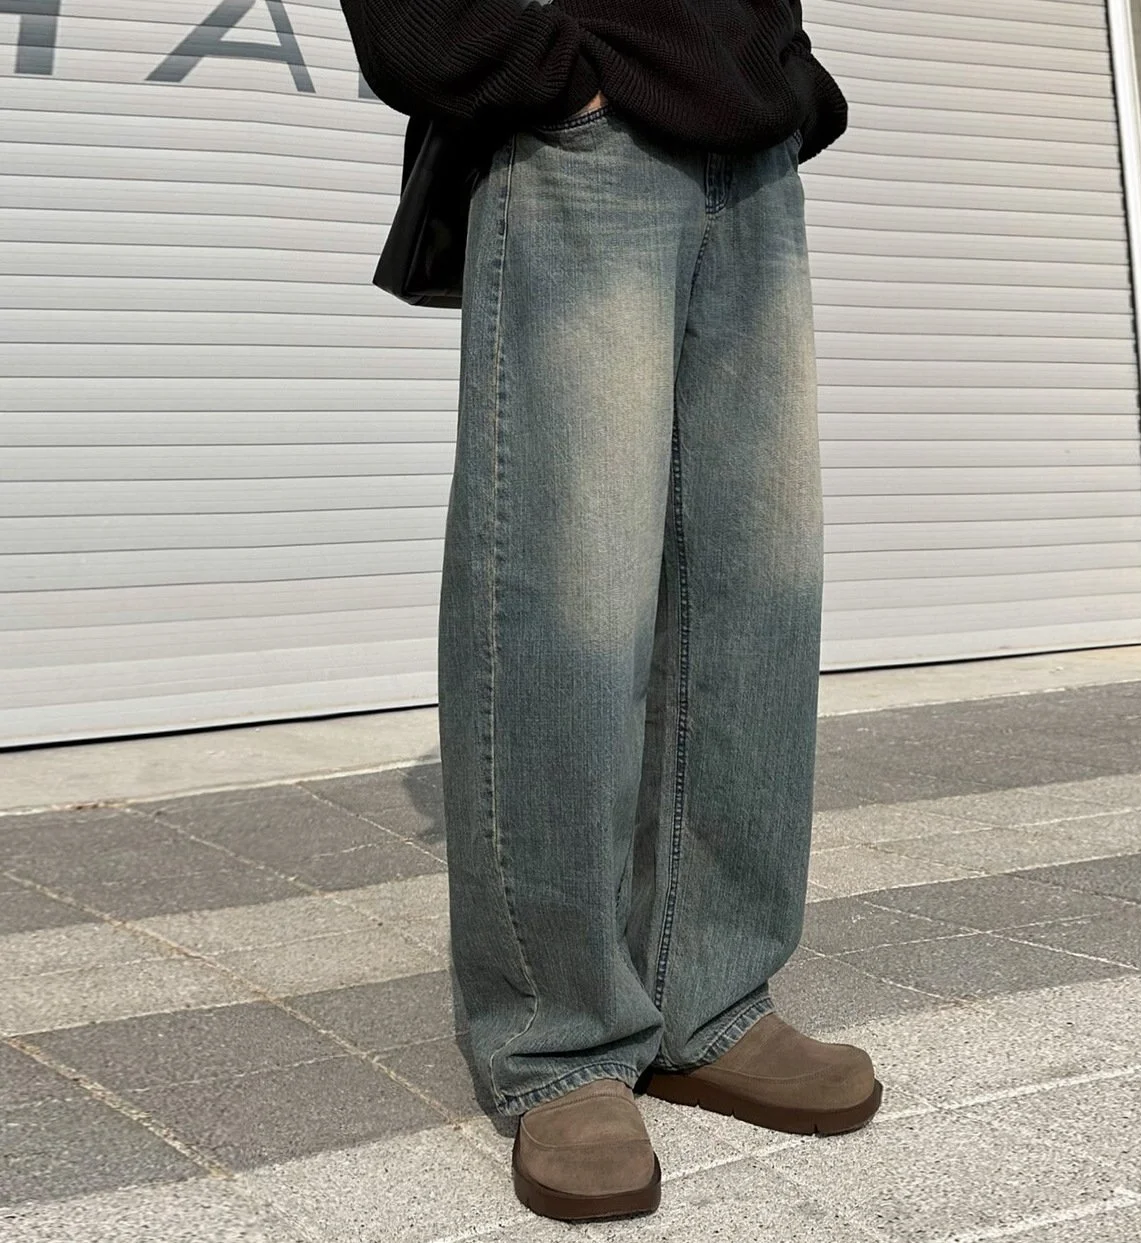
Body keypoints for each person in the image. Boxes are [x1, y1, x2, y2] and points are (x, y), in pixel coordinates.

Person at [341, 0, 881, 1222]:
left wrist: (789, 87)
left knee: (757, 593)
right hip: (583, 146)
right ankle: (561, 1040)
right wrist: (546, 77)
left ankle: (711, 998)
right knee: (563, 602)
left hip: (750, 162)